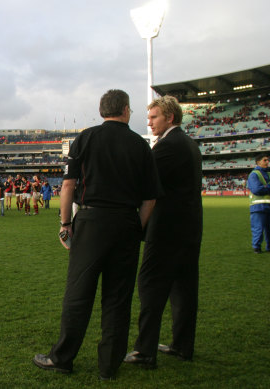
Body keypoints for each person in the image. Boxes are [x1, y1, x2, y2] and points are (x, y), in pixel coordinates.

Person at [33, 89, 159, 381]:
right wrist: (135, 225)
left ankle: (62, 358)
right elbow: (150, 198)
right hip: (126, 221)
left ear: (103, 110)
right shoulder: (140, 145)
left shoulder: (86, 138)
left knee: (78, 293)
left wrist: (66, 224)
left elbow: (67, 186)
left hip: (91, 220)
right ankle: (109, 367)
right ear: (126, 110)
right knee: (118, 298)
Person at [124, 96, 203, 369]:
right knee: (184, 290)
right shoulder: (189, 144)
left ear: (170, 117)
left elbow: (144, 183)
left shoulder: (168, 146)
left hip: (167, 231)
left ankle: (144, 352)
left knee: (150, 286)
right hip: (189, 231)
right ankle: (182, 346)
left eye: (154, 117)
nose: (149, 122)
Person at [246, 154, 270, 253]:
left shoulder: (268, 174)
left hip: (267, 206)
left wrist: (265, 187)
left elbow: (261, 188)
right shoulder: (254, 174)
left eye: (268, 160)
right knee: (258, 228)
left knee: (269, 229)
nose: (267, 162)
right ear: (258, 162)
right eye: (265, 160)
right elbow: (256, 189)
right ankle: (257, 247)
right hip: (258, 206)